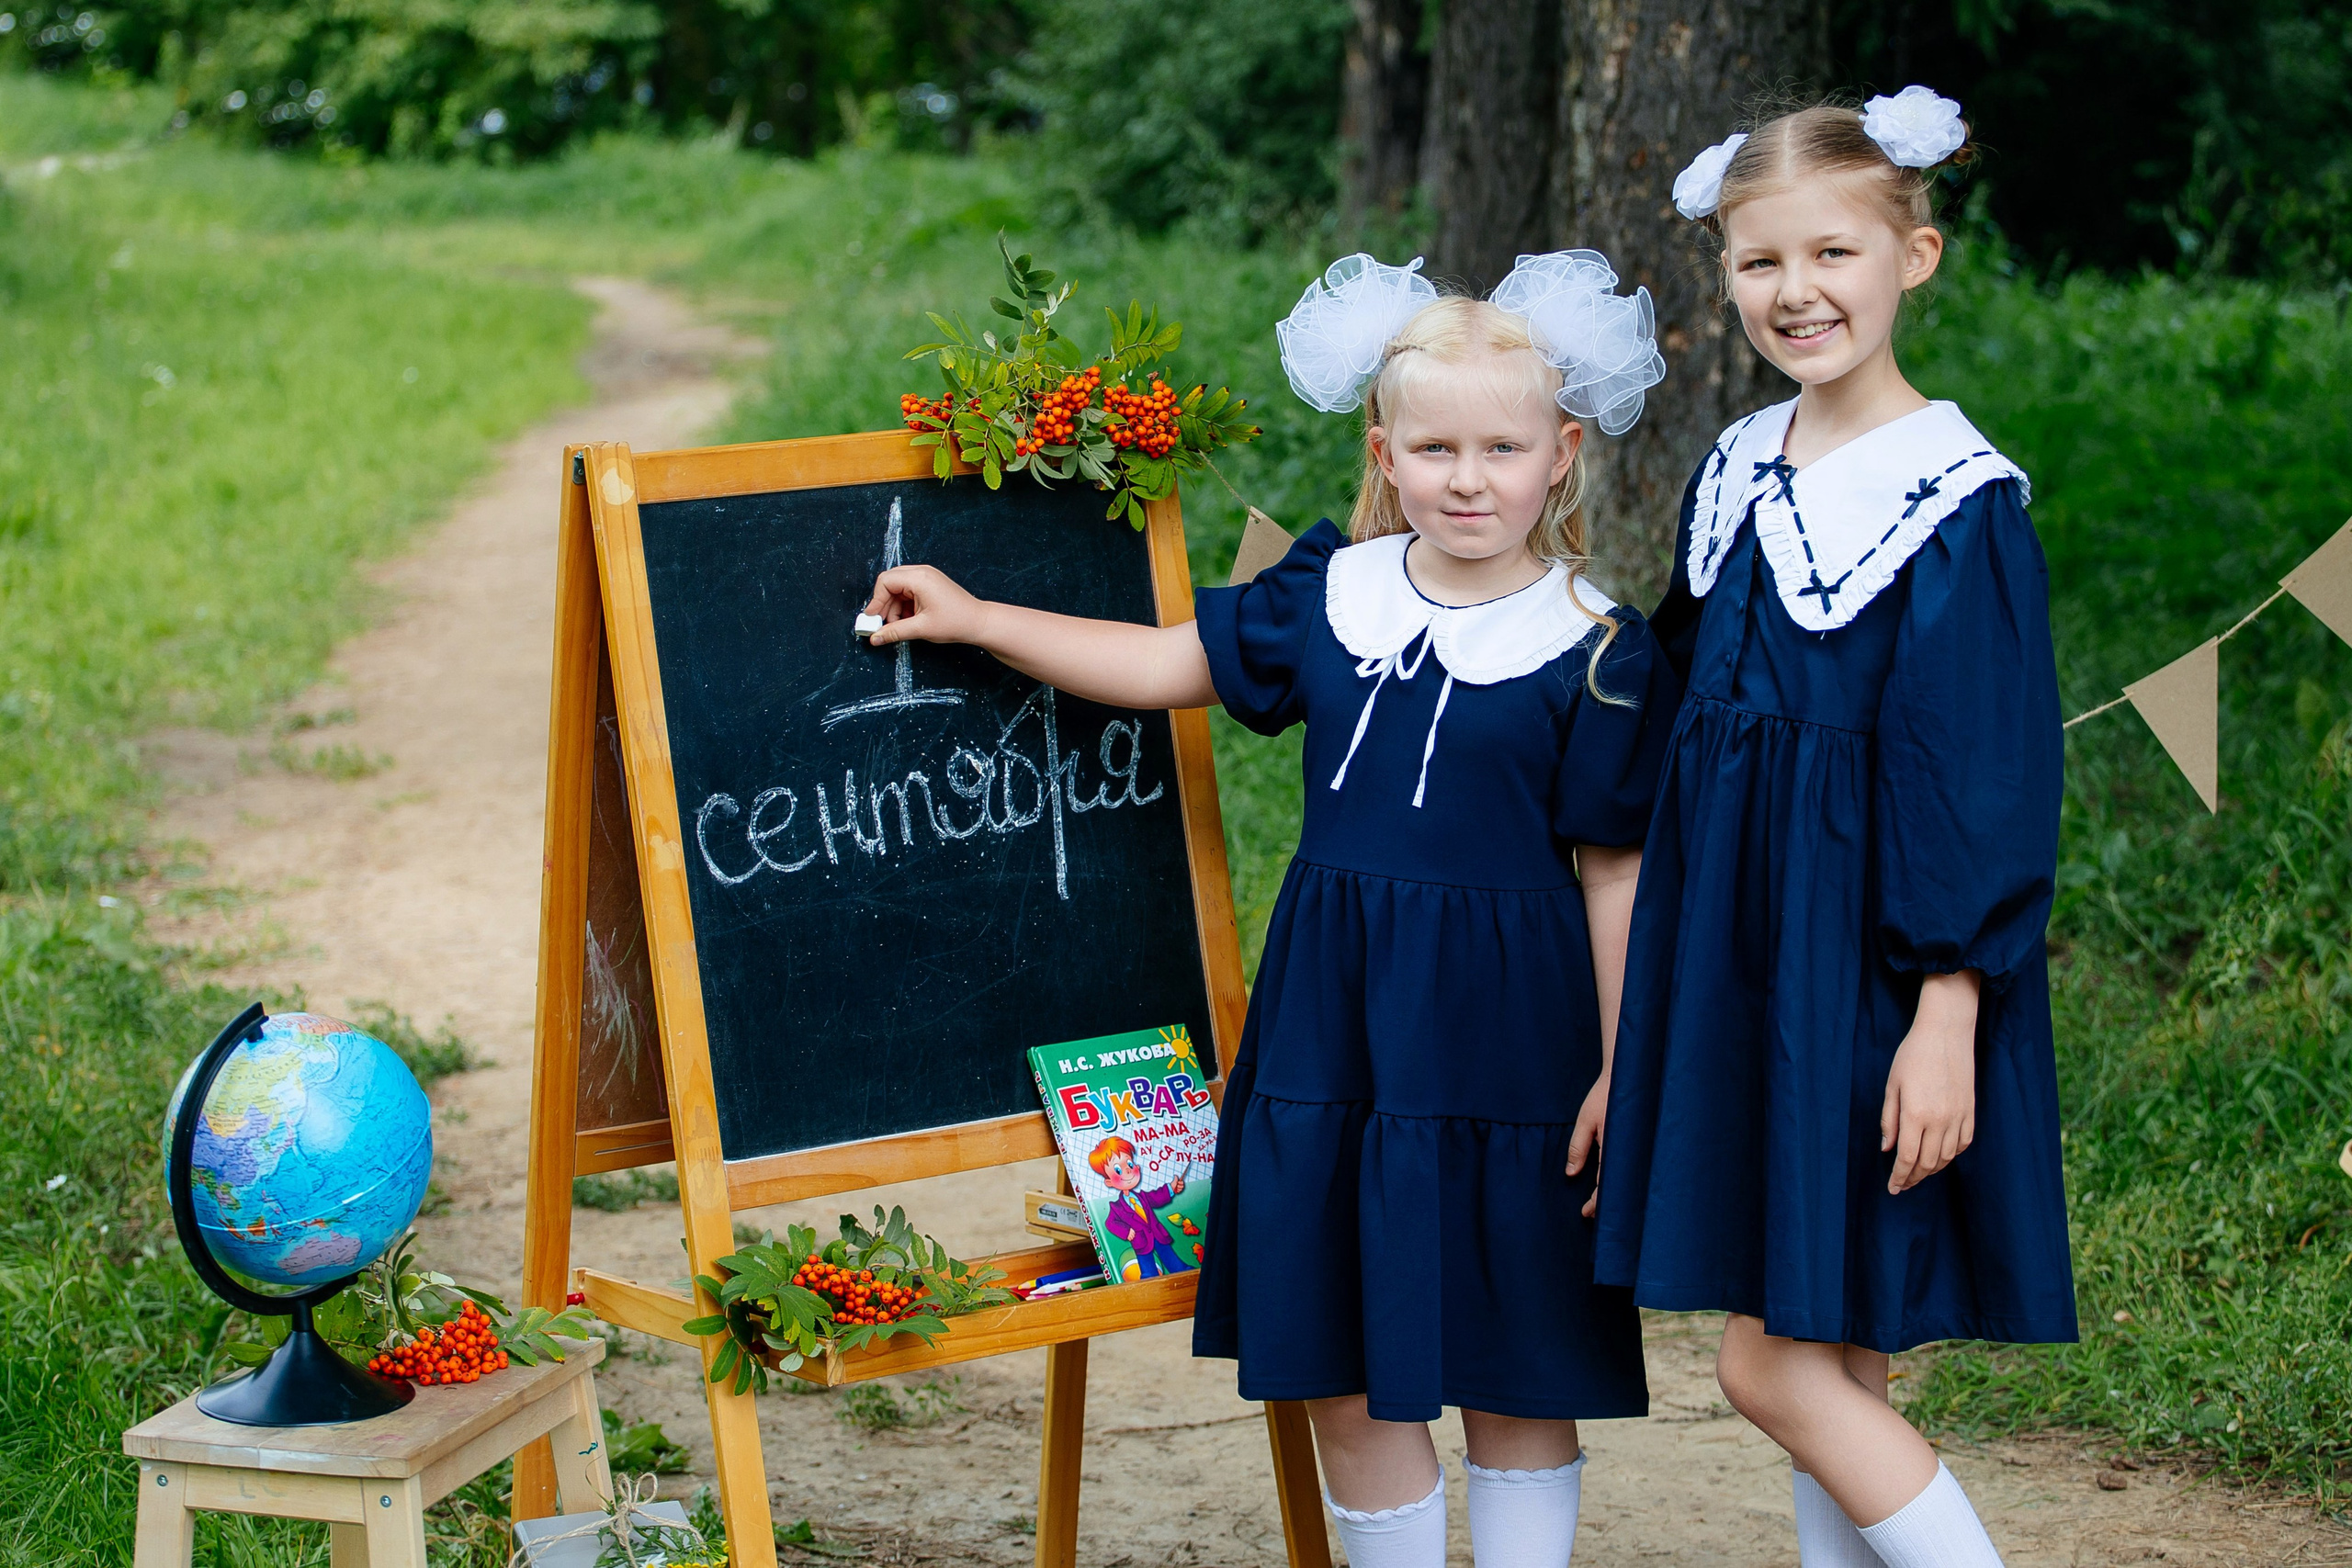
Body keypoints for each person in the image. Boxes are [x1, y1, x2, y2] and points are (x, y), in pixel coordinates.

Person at [864, 251, 1677, 1568]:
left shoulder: (1597, 644)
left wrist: (1622, 1065)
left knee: (1518, 1361)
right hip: (1334, 1034)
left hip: (1515, 1050)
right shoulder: (1333, 595)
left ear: (1562, 454)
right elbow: (1160, 663)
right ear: (1385, 453)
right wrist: (975, 616)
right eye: (1435, 448)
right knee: (1339, 1371)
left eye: (1502, 449)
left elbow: (1619, 870)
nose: (1468, 479)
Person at [1592, 87, 2075, 1568]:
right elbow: (1678, 696)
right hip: (1749, 964)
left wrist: (1949, 1008)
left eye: (1833, 253)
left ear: (1912, 256)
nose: (1796, 291)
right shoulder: (1738, 463)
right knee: (1831, 1348)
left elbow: (1977, 775)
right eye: (1760, 262)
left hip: (1872, 974)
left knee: (1768, 1363)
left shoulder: (1954, 499)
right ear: (1725, 275)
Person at [1090, 1134, 1192, 1279]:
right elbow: (1110, 1223)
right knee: (1147, 1266)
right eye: (1118, 1170)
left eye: (1130, 1164)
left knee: (1169, 1255)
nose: (1128, 1170)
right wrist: (1126, 1231)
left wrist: (1171, 1189)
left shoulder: (1142, 1196)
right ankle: (1148, 1277)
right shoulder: (1116, 1207)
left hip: (1157, 1233)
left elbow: (1157, 1197)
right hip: (1140, 1240)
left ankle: (1181, 1269)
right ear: (1109, 1182)